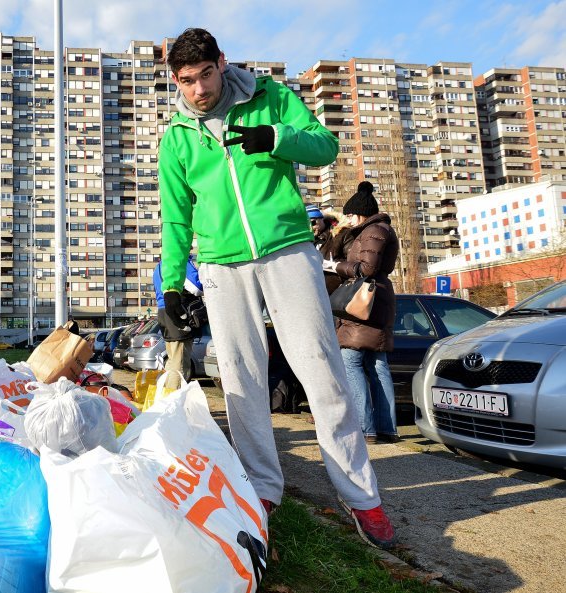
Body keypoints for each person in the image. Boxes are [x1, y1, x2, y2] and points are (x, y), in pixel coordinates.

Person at [158, 28, 397, 548]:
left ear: (221, 63)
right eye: (184, 81)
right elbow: (175, 220)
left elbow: (324, 146)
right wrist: (171, 288)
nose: (197, 91)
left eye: (203, 76)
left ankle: (362, 499)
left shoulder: (272, 98)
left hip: (287, 249)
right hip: (222, 266)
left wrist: (278, 138)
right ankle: (264, 488)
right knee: (241, 381)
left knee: (323, 371)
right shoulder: (177, 136)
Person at [324, 182, 401, 445]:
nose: (347, 219)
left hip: (365, 301)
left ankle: (365, 428)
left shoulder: (373, 231)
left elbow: (366, 268)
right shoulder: (377, 230)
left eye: (350, 214)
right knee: (377, 365)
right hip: (377, 299)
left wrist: (336, 266)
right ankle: (386, 429)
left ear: (359, 213)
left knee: (351, 361)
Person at [153, 254, 204, 389]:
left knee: (172, 359)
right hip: (178, 313)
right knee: (180, 362)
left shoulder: (159, 266)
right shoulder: (179, 261)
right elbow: (196, 287)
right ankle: (175, 400)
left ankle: (166, 397)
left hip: (163, 312)